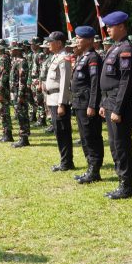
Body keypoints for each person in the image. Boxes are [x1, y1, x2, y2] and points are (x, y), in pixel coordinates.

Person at [100, 11, 132, 199]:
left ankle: (127, 184)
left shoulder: (126, 50)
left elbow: (125, 81)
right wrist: (103, 103)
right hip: (109, 100)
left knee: (121, 144)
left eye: (110, 26)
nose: (107, 29)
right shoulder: (114, 47)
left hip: (118, 103)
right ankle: (121, 181)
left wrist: (117, 108)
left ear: (121, 27)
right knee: (115, 145)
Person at [71, 26, 104, 184]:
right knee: (84, 136)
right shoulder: (82, 56)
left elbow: (95, 83)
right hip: (79, 103)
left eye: (80, 38)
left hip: (87, 104)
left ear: (90, 40)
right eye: (77, 38)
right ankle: (89, 167)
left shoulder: (93, 58)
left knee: (91, 136)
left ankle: (94, 170)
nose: (77, 40)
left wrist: (92, 105)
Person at [43, 31, 75, 171]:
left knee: (63, 132)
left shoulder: (64, 59)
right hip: (52, 99)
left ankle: (66, 162)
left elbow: (64, 82)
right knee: (58, 131)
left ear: (59, 43)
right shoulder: (55, 57)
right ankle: (64, 160)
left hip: (58, 100)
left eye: (51, 41)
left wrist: (62, 103)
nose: (48, 44)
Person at [9, 42, 31, 148]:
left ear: (17, 50)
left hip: (19, 93)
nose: (10, 51)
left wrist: (21, 95)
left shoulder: (22, 62)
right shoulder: (15, 61)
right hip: (15, 92)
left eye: (12, 49)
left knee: (22, 115)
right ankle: (22, 137)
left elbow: (22, 80)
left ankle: (24, 138)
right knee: (19, 114)